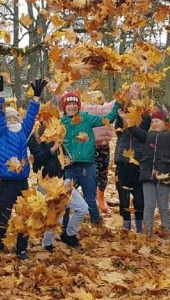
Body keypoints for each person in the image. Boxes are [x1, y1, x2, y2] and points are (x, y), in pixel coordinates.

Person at [0, 73, 44, 258]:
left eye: (15, 118)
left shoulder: (23, 132)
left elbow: (30, 116)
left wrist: (36, 97)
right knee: (2, 214)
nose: (12, 121)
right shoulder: (0, 133)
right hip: (6, 181)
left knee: (24, 214)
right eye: (9, 119)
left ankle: (21, 247)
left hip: (22, 181)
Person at [60, 89, 120, 225]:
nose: (72, 106)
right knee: (65, 197)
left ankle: (96, 224)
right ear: (64, 106)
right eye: (68, 104)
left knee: (90, 198)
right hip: (69, 167)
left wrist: (118, 104)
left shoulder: (85, 117)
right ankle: (64, 226)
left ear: (79, 106)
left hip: (87, 166)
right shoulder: (61, 122)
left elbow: (108, 119)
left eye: (74, 104)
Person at [29, 124, 90, 250]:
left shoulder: (58, 136)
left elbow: (65, 156)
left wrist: (69, 160)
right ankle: (47, 244)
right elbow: (37, 163)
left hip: (62, 180)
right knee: (54, 216)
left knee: (82, 207)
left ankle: (69, 234)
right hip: (47, 183)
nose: (51, 121)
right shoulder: (35, 138)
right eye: (47, 119)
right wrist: (52, 149)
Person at [128, 106, 170, 237]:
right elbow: (135, 130)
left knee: (163, 205)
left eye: (157, 120)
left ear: (165, 122)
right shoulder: (148, 136)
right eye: (152, 121)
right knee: (149, 205)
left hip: (165, 174)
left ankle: (166, 232)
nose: (154, 123)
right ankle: (148, 233)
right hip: (148, 174)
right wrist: (125, 119)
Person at [113, 105, 148, 232]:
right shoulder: (121, 114)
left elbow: (144, 135)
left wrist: (129, 124)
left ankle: (139, 226)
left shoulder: (145, 114)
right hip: (122, 162)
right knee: (123, 198)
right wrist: (121, 117)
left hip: (138, 163)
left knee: (139, 199)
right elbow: (118, 130)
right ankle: (126, 225)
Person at [83, 90, 115, 216]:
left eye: (99, 98)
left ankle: (101, 197)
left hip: (103, 146)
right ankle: (89, 198)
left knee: (103, 172)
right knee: (90, 173)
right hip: (90, 146)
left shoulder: (107, 109)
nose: (96, 101)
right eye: (94, 98)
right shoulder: (85, 109)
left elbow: (117, 102)